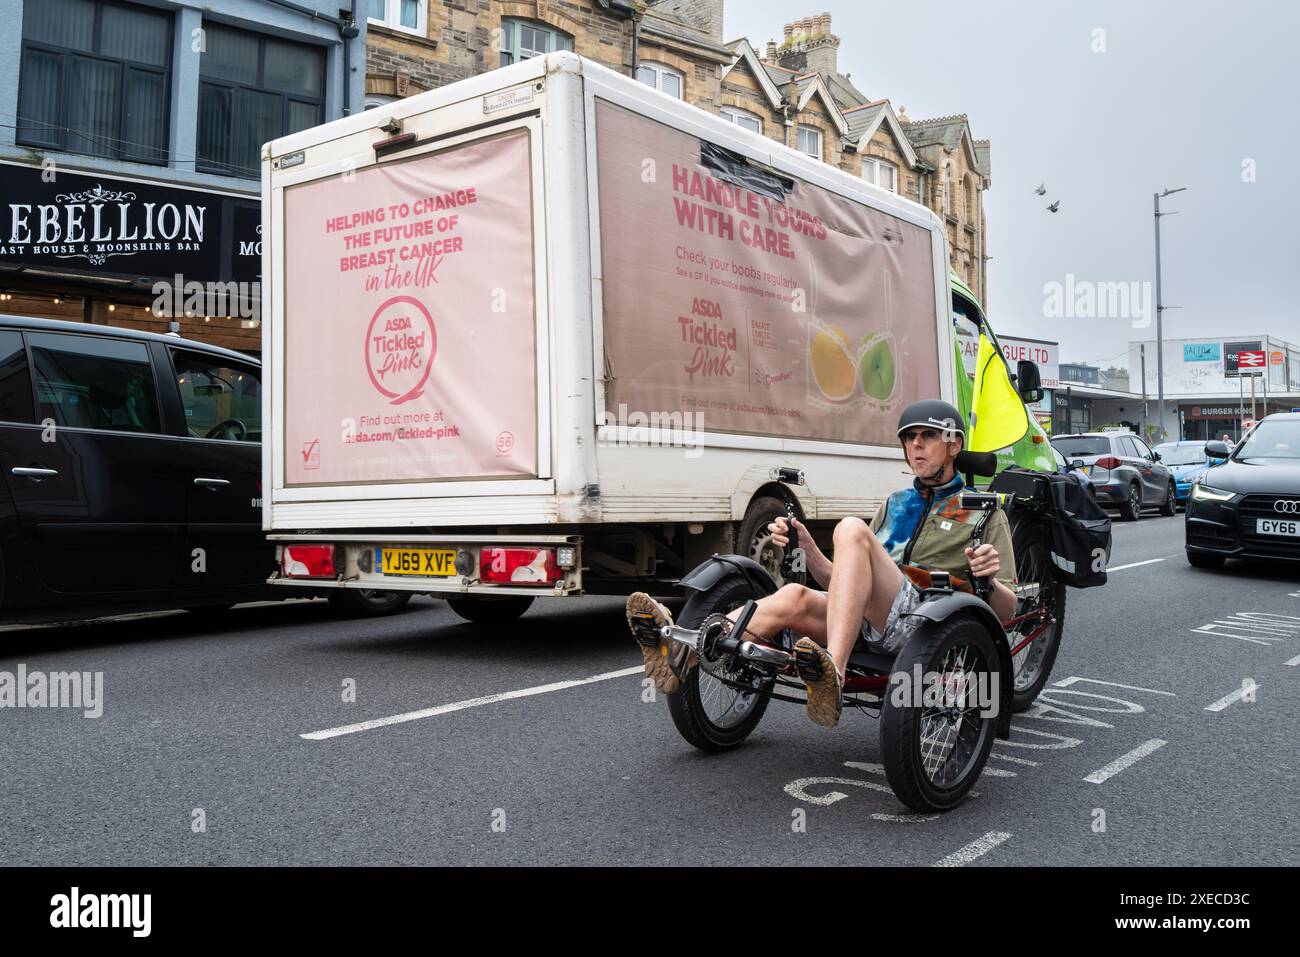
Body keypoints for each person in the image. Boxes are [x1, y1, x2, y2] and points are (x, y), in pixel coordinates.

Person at [626, 399, 1018, 728]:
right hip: (870, 619)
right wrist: (809, 547)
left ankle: (836, 670)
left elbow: (1008, 608)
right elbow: (843, 584)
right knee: (793, 595)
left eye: (928, 437)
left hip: (924, 621)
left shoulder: (981, 512)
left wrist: (987, 576)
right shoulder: (895, 504)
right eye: (909, 438)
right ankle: (679, 652)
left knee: (849, 528)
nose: (916, 446)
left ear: (953, 446)